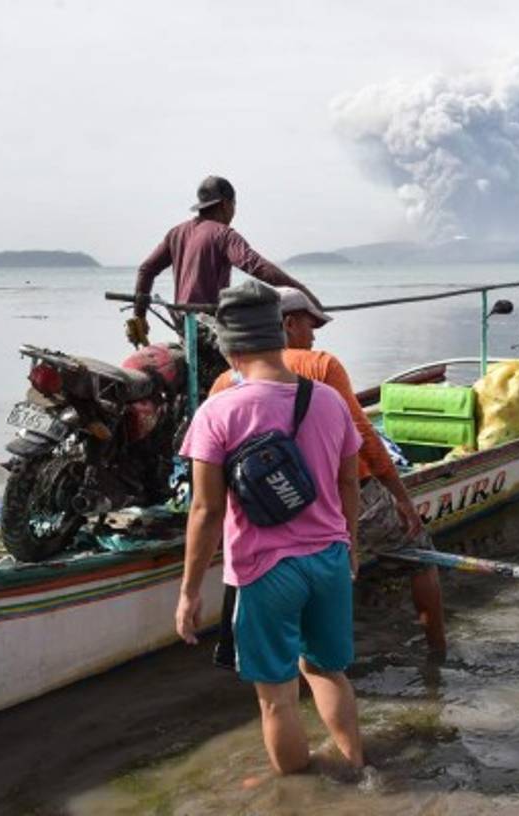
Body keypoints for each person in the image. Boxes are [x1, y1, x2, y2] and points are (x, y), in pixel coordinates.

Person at [176, 280, 363, 774]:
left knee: (277, 699)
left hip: (263, 571)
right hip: (328, 559)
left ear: (230, 348)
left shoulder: (218, 411)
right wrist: (353, 548)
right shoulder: (330, 401)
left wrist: (190, 591)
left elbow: (206, 511)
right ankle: (356, 765)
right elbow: (350, 483)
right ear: (283, 334)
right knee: (329, 671)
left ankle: (298, 797)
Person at [209, 287, 447, 660]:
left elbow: (213, 469)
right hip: (341, 503)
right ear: (286, 324)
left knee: (277, 659)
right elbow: (364, 438)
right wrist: (402, 498)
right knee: (420, 555)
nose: (315, 334)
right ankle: (437, 653)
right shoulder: (322, 365)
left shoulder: (225, 383)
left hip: (268, 515)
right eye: (309, 324)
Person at [128, 175, 319, 344]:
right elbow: (256, 266)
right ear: (226, 204)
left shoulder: (176, 233)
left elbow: (146, 270)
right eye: (234, 205)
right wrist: (301, 291)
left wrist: (139, 316)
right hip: (208, 325)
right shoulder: (223, 234)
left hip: (182, 323)